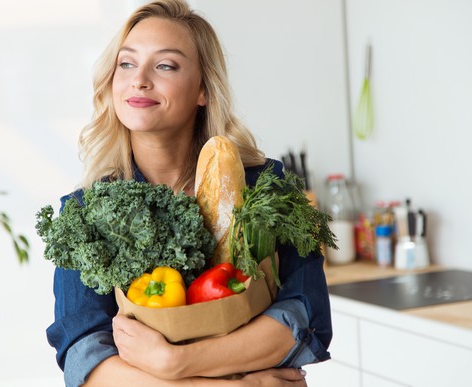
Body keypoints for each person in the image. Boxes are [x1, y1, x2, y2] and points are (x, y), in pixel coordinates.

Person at [46, 1, 332, 386]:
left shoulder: (265, 186)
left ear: (203, 89)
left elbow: (303, 317)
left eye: (165, 65)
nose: (139, 80)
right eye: (127, 63)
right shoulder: (84, 213)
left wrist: (173, 364)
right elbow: (88, 363)